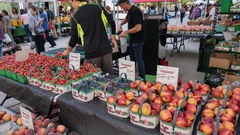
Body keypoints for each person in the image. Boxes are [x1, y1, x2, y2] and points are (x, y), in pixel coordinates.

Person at [62, 0, 117, 75]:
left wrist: (68, 50)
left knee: (95, 79)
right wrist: (113, 38)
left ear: (74, 1)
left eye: (71, 3)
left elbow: (74, 37)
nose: (72, 5)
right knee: (109, 77)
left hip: (92, 52)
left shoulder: (75, 16)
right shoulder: (98, 7)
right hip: (106, 49)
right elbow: (112, 22)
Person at [117, 0, 145, 79]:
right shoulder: (130, 10)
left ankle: (142, 77)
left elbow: (138, 28)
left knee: (138, 58)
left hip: (138, 39)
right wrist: (120, 24)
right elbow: (126, 19)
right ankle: (131, 75)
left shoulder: (135, 11)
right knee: (132, 58)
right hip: (133, 39)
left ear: (125, 3)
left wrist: (125, 32)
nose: (121, 8)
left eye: (121, 6)